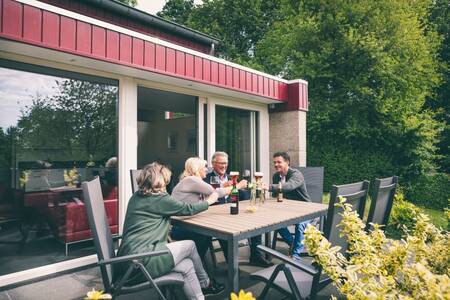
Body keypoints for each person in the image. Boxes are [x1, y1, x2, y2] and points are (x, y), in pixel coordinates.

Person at [114, 162, 224, 300]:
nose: (167, 183)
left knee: (187, 265)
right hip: (142, 263)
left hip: (127, 262)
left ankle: (201, 293)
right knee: (190, 245)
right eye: (166, 180)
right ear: (161, 180)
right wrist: (209, 201)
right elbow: (188, 209)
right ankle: (205, 283)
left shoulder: (136, 197)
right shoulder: (159, 199)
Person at [204, 151, 272, 267]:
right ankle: (233, 268)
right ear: (213, 163)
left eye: (226, 163)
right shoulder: (207, 178)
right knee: (225, 231)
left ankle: (256, 256)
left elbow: (241, 195)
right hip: (216, 215)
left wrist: (250, 192)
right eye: (221, 163)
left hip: (233, 212)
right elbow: (208, 192)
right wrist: (224, 187)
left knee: (255, 223)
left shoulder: (232, 177)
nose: (224, 166)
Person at [171, 157, 231, 258]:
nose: (207, 169)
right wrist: (236, 187)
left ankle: (201, 264)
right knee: (216, 232)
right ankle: (198, 264)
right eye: (204, 167)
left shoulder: (190, 181)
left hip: (187, 224)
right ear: (196, 169)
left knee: (218, 231)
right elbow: (215, 192)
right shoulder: (191, 180)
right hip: (181, 228)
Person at [270, 151, 311, 261]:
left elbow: (288, 186)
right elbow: (276, 196)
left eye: (279, 162)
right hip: (288, 210)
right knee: (275, 222)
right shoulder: (276, 176)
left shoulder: (296, 174)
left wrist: (268, 187)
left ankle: (295, 256)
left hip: (306, 209)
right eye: (274, 162)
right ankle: (293, 244)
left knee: (300, 224)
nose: (276, 165)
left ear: (287, 162)